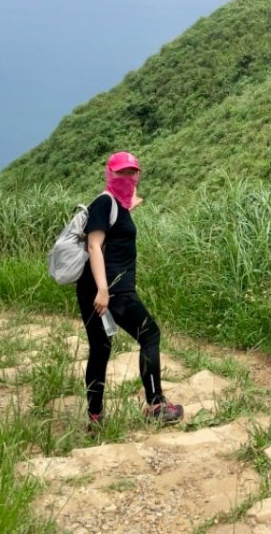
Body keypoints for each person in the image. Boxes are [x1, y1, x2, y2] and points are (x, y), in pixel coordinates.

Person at [76, 150, 184, 428]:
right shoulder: (104, 202)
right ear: (109, 174)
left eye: (132, 172)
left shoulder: (117, 205)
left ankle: (95, 416)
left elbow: (115, 230)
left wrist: (129, 204)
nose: (127, 177)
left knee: (101, 348)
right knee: (150, 334)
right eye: (121, 172)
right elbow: (94, 245)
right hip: (110, 289)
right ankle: (156, 404)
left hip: (98, 289)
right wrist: (103, 289)